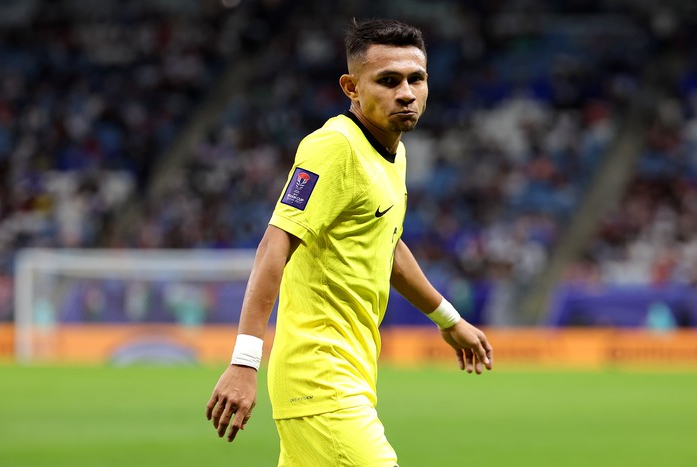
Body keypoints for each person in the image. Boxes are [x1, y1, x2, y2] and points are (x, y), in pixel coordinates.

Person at [206, 18, 493, 466]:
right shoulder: (334, 147)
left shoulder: (394, 153)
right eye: (388, 80)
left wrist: (448, 318)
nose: (406, 92)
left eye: (416, 79)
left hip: (352, 374)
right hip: (320, 376)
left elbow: (388, 247)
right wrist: (245, 361)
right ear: (351, 86)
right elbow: (274, 245)